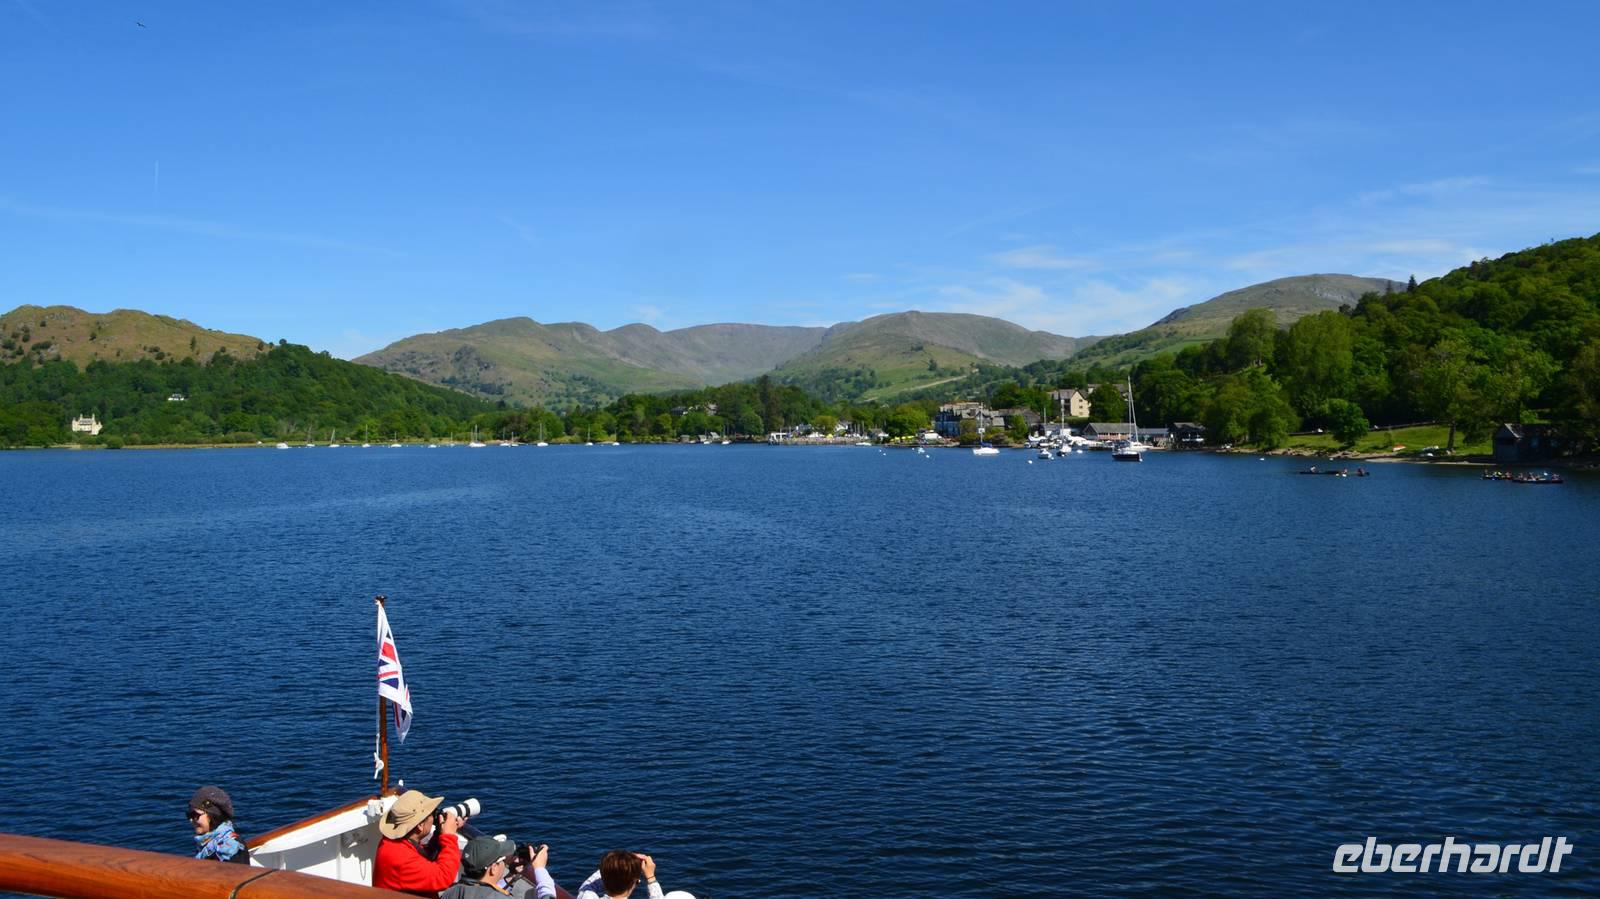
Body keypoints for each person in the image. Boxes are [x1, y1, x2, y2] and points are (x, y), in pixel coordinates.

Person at [374, 789, 463, 897]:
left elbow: (422, 859)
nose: (433, 817)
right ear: (420, 826)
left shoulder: (392, 842)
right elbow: (443, 877)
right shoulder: (400, 858)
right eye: (431, 814)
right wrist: (449, 836)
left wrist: (439, 834)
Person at [441, 835, 525, 899]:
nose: (504, 863)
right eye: (503, 860)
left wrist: (511, 877)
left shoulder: (450, 892)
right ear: (494, 868)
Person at [188, 785, 249, 864]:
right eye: (189, 815)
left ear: (212, 815)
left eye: (195, 815)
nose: (191, 820)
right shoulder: (207, 843)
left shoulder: (229, 849)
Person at [575, 851, 671, 899]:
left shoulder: (587, 896)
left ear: (603, 879)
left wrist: (621, 862)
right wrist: (650, 877)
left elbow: (588, 886)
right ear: (634, 882)